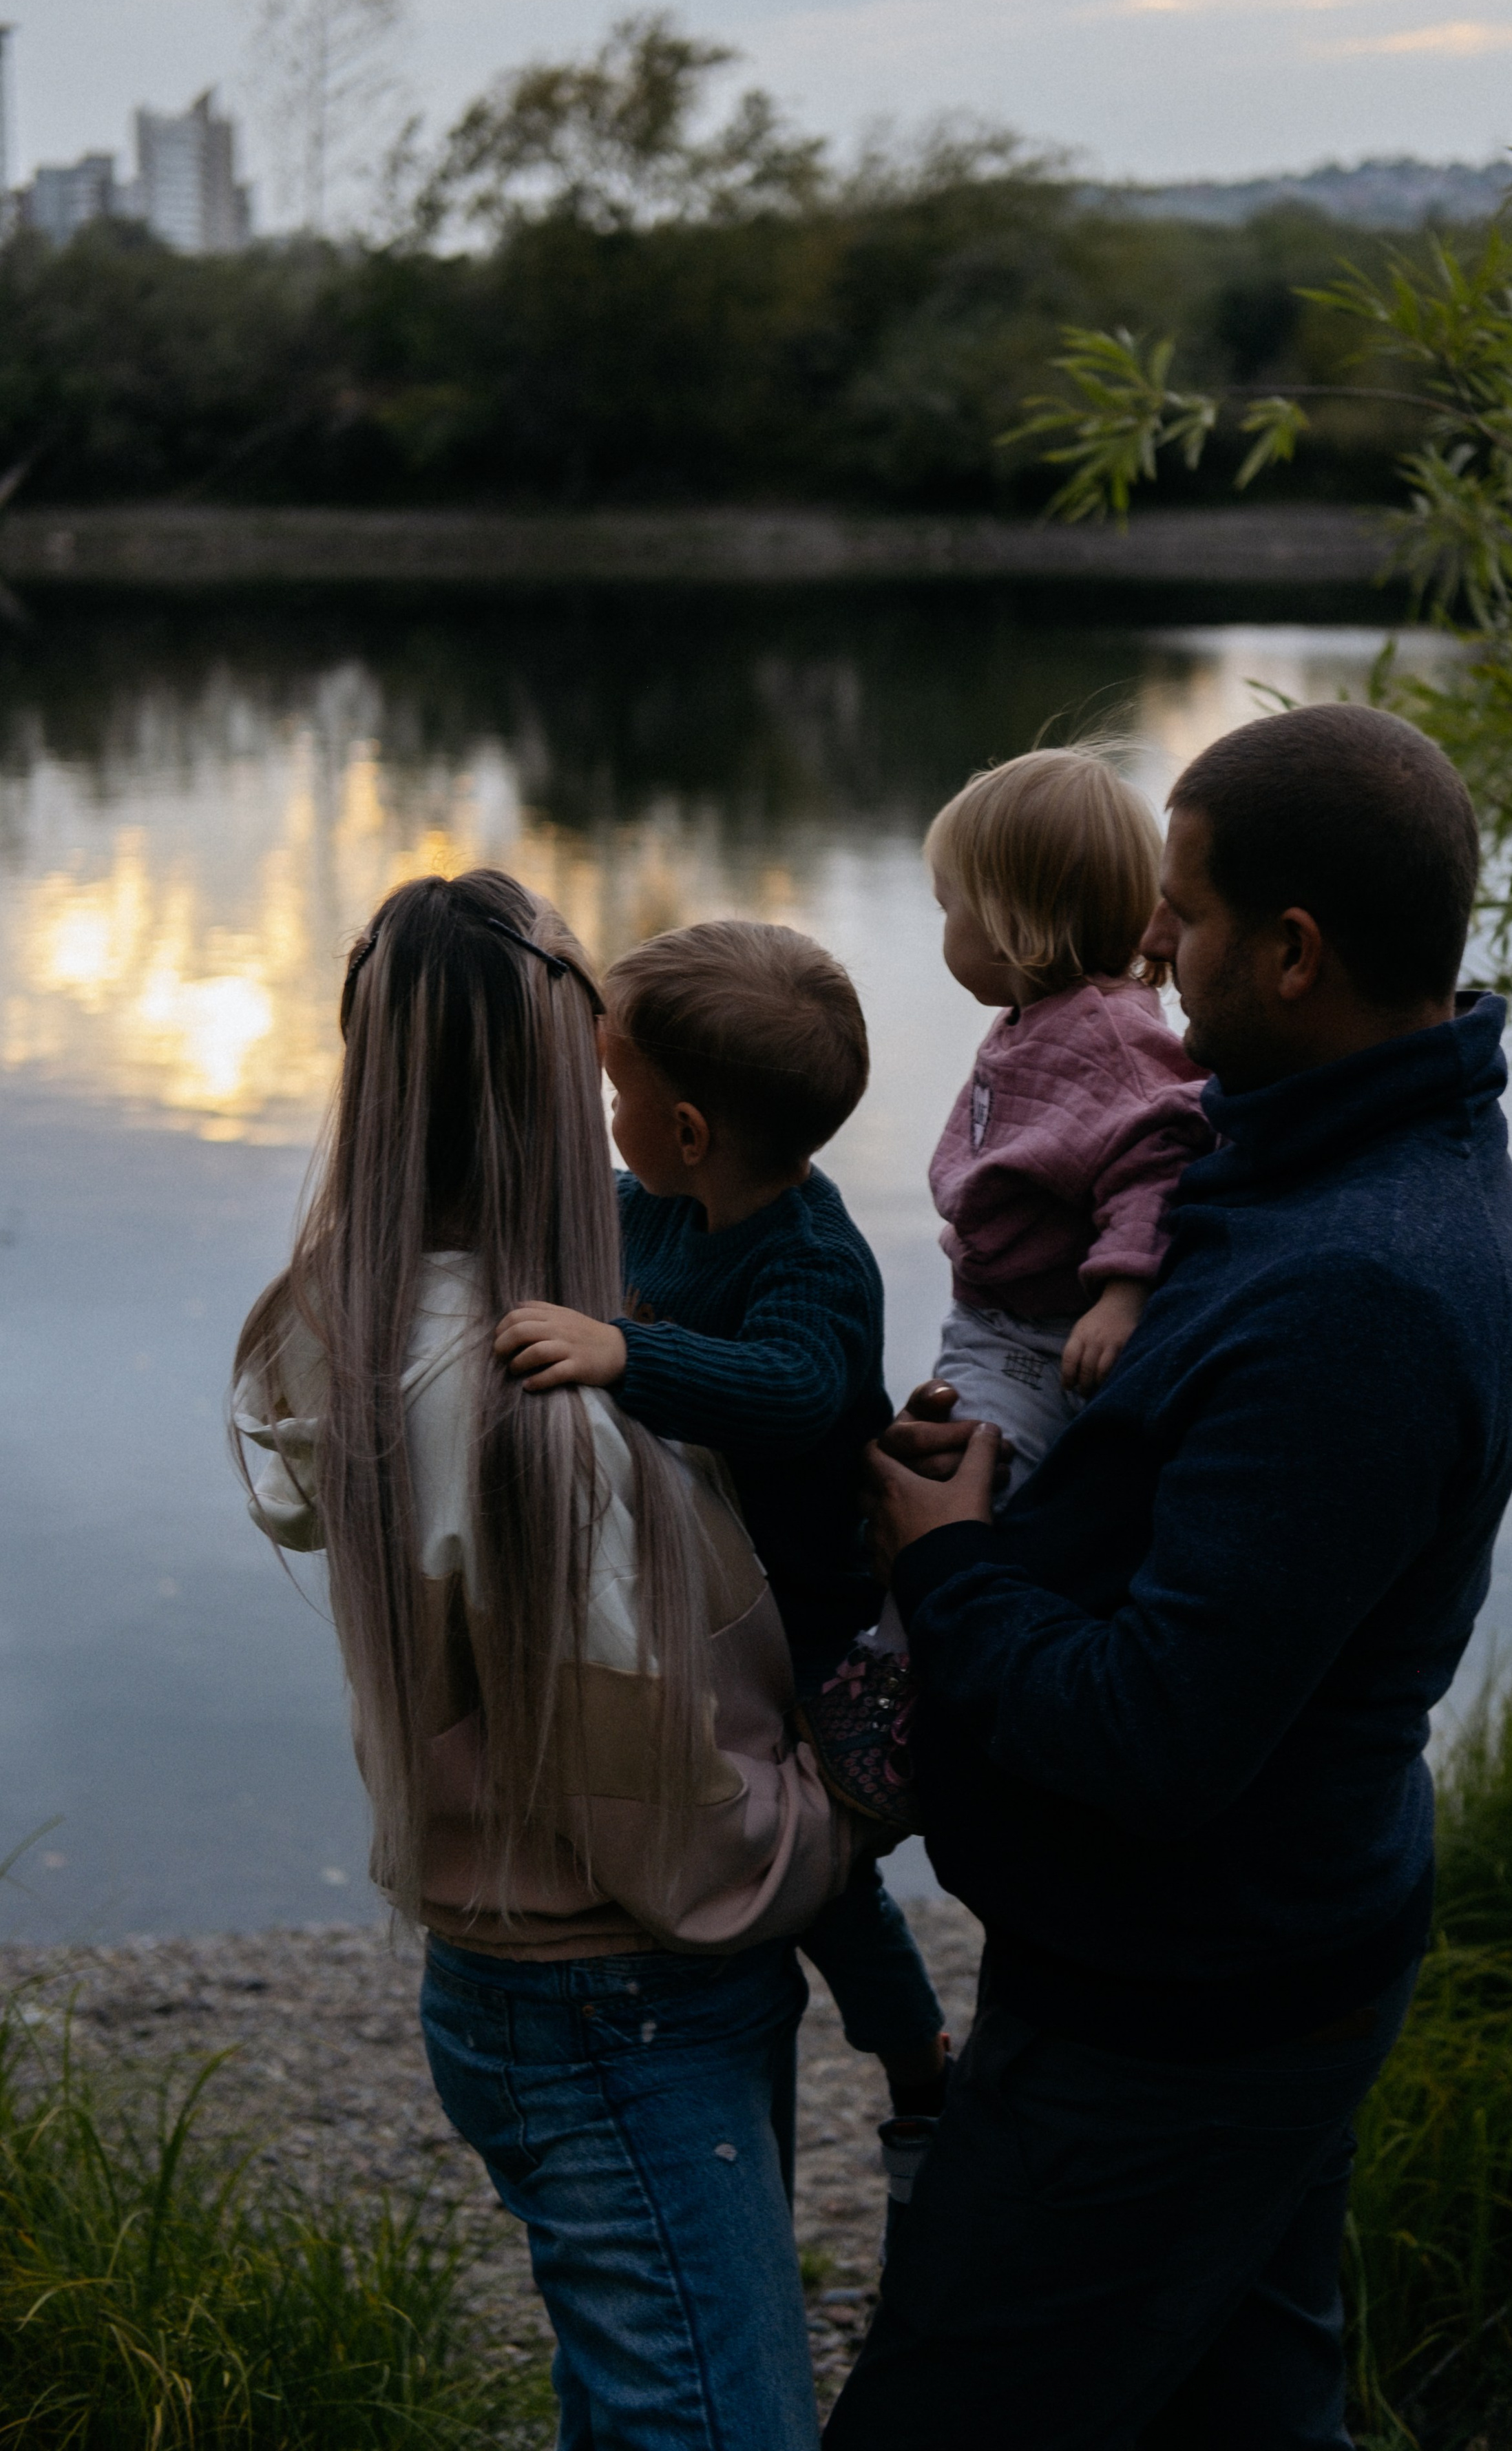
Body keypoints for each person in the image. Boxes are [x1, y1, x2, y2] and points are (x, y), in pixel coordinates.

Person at [825, 704, 1512, 2451]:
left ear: (1292, 953)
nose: (1143, 943)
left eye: (1185, 912)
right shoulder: (1296, 1141)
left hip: (1180, 2021)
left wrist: (958, 1557)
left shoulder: (1357, 1289)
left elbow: (1152, 1729)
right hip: (1237, 1958)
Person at [231, 871, 849, 2451]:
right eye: (589, 1067)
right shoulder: (531, 1397)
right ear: (544, 1096)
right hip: (619, 1992)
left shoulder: (340, 1313)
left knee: (635, 2398)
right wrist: (848, 1792)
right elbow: (672, 1810)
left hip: (500, 1963)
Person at [491, 919, 948, 2118]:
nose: (605, 1119)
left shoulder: (814, 1262)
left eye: (613, 1093)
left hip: (803, 1618)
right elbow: (577, 1201)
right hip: (700, 1591)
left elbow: (794, 1390)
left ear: (687, 1131)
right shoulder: (660, 1201)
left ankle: (917, 2062)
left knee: (828, 1890)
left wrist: (623, 1349)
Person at [924, 746, 1214, 1496]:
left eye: (946, 904)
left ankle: (928, 1605)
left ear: (1005, 923)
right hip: (997, 1321)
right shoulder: (1041, 1015)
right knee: (928, 1464)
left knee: (971, 1492)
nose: (943, 924)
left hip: (1049, 1341)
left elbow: (1164, 1154)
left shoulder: (1109, 1039)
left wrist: (1126, 1293)